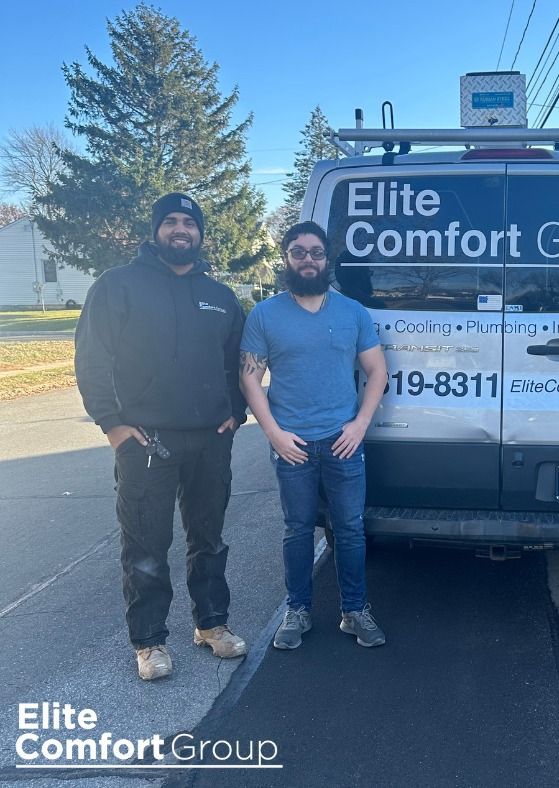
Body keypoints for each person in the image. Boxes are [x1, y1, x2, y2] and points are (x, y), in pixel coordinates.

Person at [75, 193, 248, 680]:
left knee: (209, 539)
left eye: (188, 223)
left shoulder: (220, 295)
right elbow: (91, 359)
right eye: (170, 222)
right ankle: (149, 641)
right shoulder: (117, 286)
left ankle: (211, 625)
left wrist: (236, 413)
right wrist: (112, 425)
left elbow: (239, 362)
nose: (180, 230)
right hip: (144, 440)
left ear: (199, 234)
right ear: (155, 231)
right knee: (147, 544)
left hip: (211, 439)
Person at [239, 221, 388, 650]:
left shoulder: (353, 312)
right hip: (293, 446)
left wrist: (360, 425)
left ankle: (354, 611)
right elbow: (251, 379)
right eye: (299, 251)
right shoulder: (265, 314)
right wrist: (274, 434)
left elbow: (378, 372)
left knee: (351, 530)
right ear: (286, 258)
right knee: (297, 530)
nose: (308, 259)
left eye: (316, 252)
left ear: (328, 260)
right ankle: (298, 611)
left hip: (344, 442)